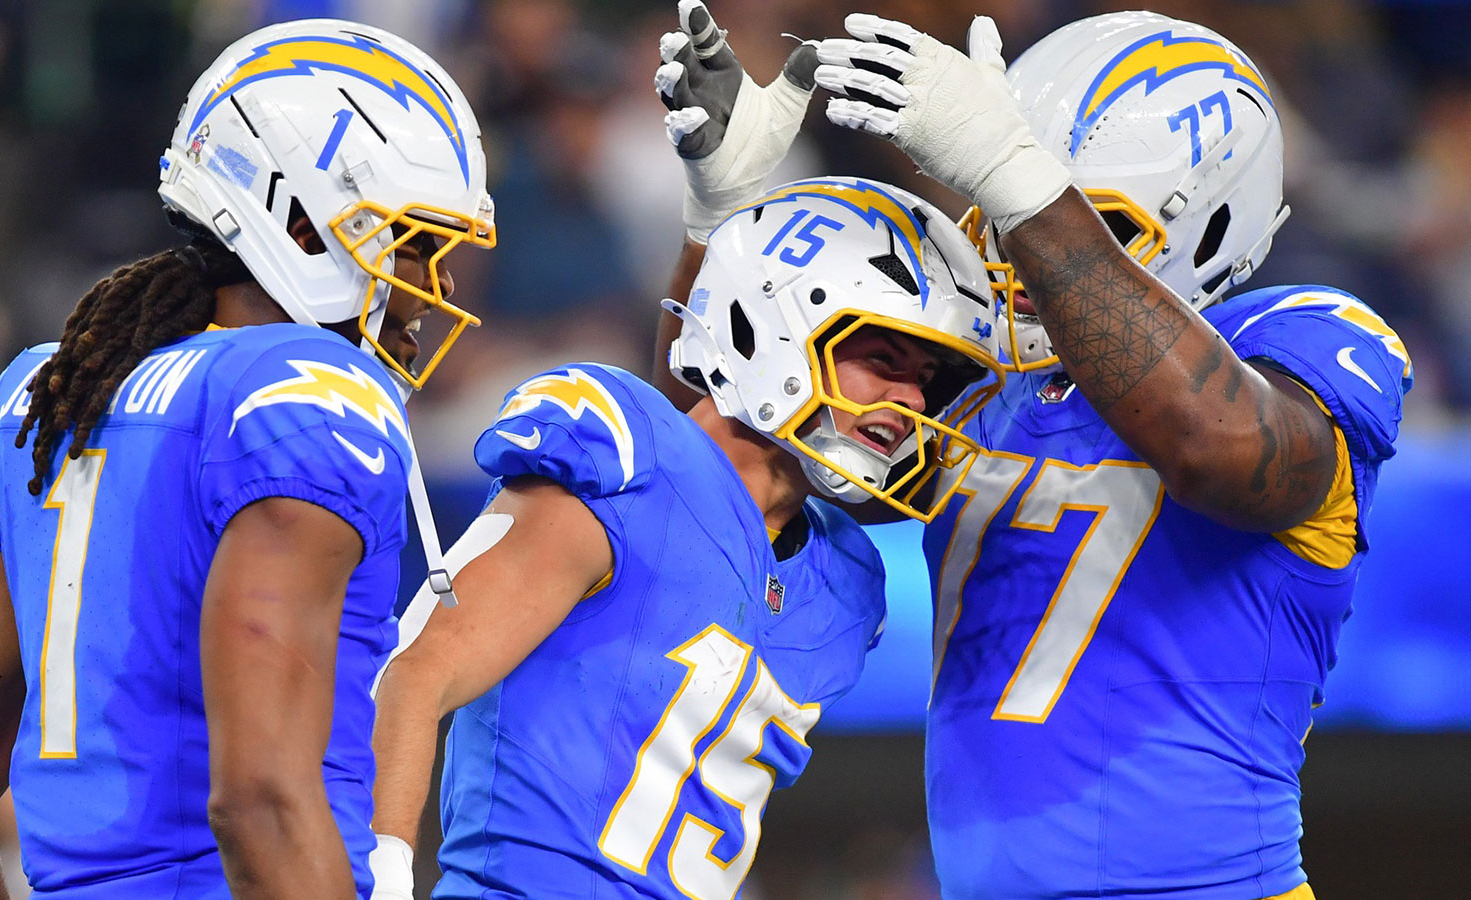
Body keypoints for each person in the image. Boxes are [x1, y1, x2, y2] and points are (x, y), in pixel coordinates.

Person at [808, 10, 1414, 900]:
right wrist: (715, 221)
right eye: (1005, 219)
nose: (1027, 259)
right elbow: (734, 460)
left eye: (1076, 225)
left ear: (1210, 232)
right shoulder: (983, 380)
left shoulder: (1298, 339)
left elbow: (1221, 449)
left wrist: (1023, 182)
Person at [0, 18, 494, 900]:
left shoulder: (43, 393)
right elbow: (259, 805)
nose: (430, 289)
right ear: (298, 214)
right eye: (411, 242)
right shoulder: (304, 395)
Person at [368, 169, 1008, 898]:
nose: (910, 399)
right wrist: (382, 873)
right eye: (883, 360)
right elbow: (413, 674)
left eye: (925, 375)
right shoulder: (622, 458)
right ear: (777, 330)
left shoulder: (845, 582)